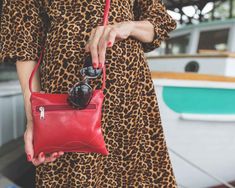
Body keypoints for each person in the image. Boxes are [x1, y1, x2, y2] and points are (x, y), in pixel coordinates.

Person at [0, 0, 177, 187]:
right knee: (74, 176)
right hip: (67, 92)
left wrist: (129, 26)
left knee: (135, 175)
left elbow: (159, 23)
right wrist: (33, 118)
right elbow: (24, 43)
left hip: (130, 94)